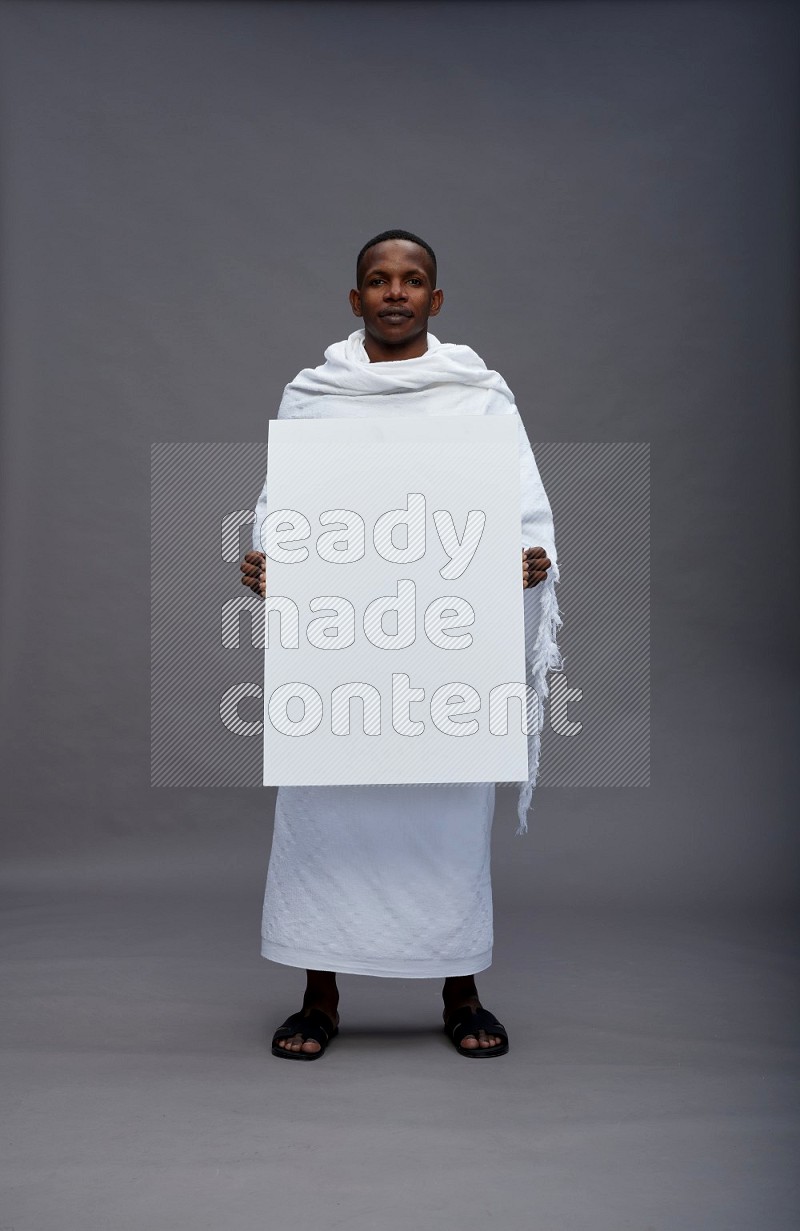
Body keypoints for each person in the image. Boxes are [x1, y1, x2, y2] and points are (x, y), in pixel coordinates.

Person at [240, 230, 558, 1061]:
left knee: (446, 816)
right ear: (355, 300)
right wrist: (273, 561)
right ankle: (318, 997)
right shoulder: (316, 394)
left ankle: (461, 988)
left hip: (443, 653)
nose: (394, 292)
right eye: (377, 280)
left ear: (436, 300)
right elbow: (285, 505)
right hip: (345, 656)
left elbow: (521, 507)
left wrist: (525, 563)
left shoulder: (478, 396)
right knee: (327, 815)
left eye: (412, 280)